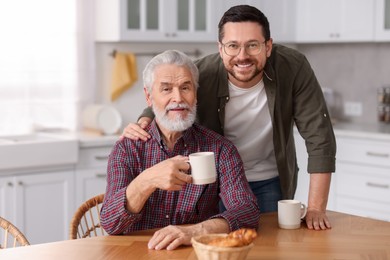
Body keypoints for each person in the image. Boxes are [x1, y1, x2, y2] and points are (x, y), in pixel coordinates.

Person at [122, 5, 336, 230]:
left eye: (253, 45)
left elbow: (320, 139)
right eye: (233, 46)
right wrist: (143, 120)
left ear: (268, 46)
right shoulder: (204, 72)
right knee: (209, 244)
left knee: (265, 246)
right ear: (221, 48)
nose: (242, 56)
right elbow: (173, 95)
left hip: (268, 179)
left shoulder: (293, 68)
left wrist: (315, 209)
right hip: (212, 182)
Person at [100, 50, 260, 251]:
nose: (178, 98)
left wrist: (195, 231)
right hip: (138, 252)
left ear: (196, 95)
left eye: (186, 87)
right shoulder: (127, 148)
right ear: (149, 97)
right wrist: (147, 180)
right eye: (166, 89)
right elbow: (109, 222)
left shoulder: (220, 149)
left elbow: (247, 212)